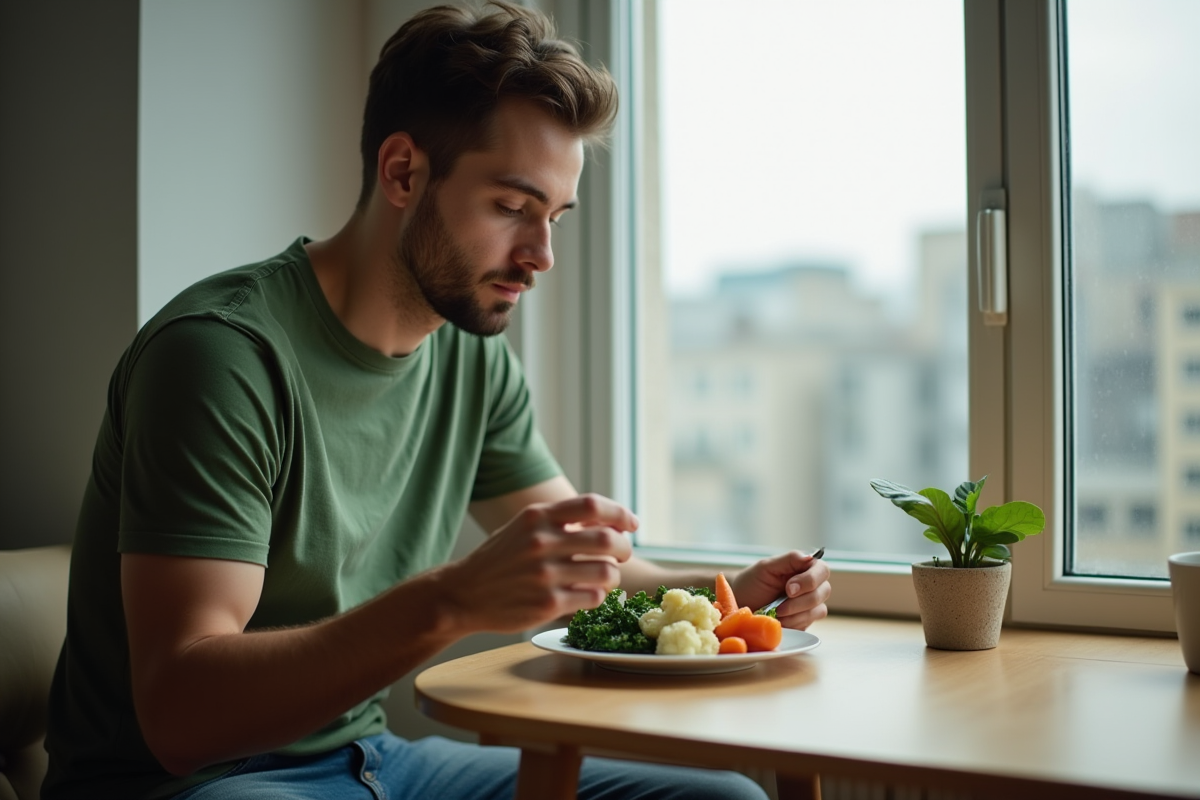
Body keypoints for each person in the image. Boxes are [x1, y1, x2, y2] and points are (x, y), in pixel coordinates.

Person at [42, 3, 832, 799]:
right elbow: (181, 720)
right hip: (192, 785)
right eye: (512, 208)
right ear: (402, 173)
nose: (542, 255)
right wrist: (452, 601)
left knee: (727, 797)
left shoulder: (470, 359)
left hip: (375, 760)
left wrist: (730, 596)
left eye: (555, 218)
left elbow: (591, 570)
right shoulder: (222, 358)